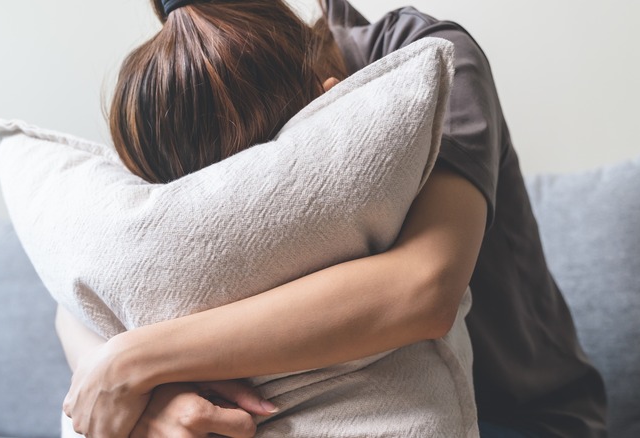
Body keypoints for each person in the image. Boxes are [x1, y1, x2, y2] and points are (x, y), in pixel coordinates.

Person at [57, 0, 608, 437]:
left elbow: (424, 287)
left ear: (328, 107)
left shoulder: (427, 57)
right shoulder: (176, 97)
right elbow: (82, 288)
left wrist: (136, 359)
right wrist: (130, 389)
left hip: (516, 417)